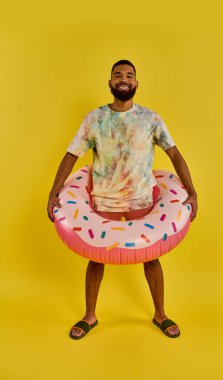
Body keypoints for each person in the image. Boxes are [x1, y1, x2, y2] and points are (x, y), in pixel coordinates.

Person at [47, 59, 198, 339]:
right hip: (105, 199)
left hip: (142, 200)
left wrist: (192, 192)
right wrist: (54, 193)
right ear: (110, 83)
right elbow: (71, 155)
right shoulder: (95, 119)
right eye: (118, 75)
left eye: (129, 75)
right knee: (95, 258)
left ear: (136, 83)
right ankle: (90, 316)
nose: (123, 79)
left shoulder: (150, 118)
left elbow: (174, 154)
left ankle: (160, 314)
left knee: (152, 258)